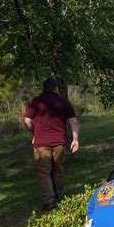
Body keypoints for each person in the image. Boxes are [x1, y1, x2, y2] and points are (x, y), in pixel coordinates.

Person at [23, 78, 79, 211]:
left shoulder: (36, 101)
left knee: (44, 172)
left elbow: (27, 120)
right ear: (56, 88)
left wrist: (35, 131)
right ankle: (59, 195)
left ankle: (49, 201)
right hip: (59, 142)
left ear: (44, 89)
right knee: (58, 168)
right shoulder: (64, 102)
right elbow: (73, 122)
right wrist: (75, 139)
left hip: (41, 142)